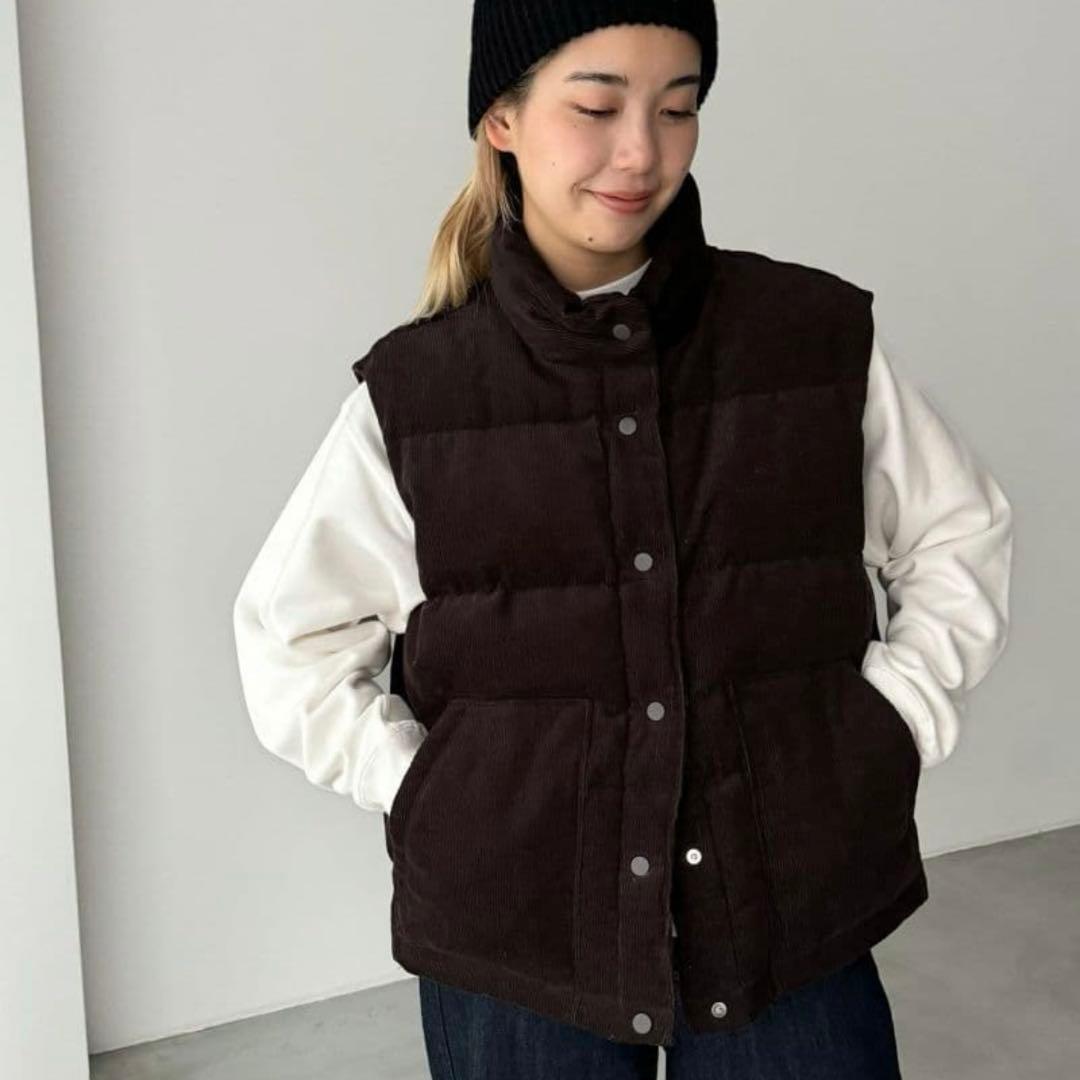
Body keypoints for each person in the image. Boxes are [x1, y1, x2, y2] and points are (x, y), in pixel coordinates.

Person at [232, 2, 1014, 1077]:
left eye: (677, 108)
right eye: (597, 107)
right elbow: (292, 641)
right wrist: (427, 788)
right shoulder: (419, 394)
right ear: (502, 118)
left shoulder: (810, 339)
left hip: (790, 909)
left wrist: (888, 725)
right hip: (514, 933)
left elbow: (958, 537)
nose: (642, 152)